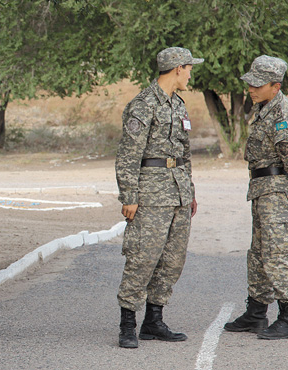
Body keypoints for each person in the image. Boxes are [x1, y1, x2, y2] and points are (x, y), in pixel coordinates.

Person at [115, 47, 202, 349]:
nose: (191, 74)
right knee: (143, 257)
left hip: (177, 192)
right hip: (150, 193)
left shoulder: (179, 105)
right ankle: (128, 323)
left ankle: (153, 320)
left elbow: (185, 153)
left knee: (171, 259)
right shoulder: (142, 105)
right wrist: (129, 195)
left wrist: (189, 191)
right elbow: (128, 155)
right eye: (189, 68)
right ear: (178, 68)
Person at [224, 55, 288, 340]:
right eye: (250, 82)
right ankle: (256, 312)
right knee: (259, 254)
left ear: (275, 86)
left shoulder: (282, 114)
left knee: (278, 255)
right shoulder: (265, 108)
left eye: (258, 84)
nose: (251, 88)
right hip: (264, 189)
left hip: (278, 191)